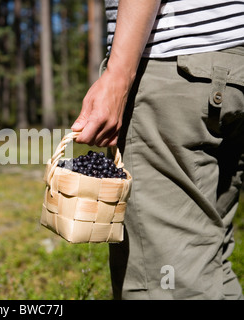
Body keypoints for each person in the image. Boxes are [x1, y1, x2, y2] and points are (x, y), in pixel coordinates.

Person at [71, 0, 244, 299]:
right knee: (210, 260)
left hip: (176, 71)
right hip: (234, 72)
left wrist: (117, 76)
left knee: (166, 282)